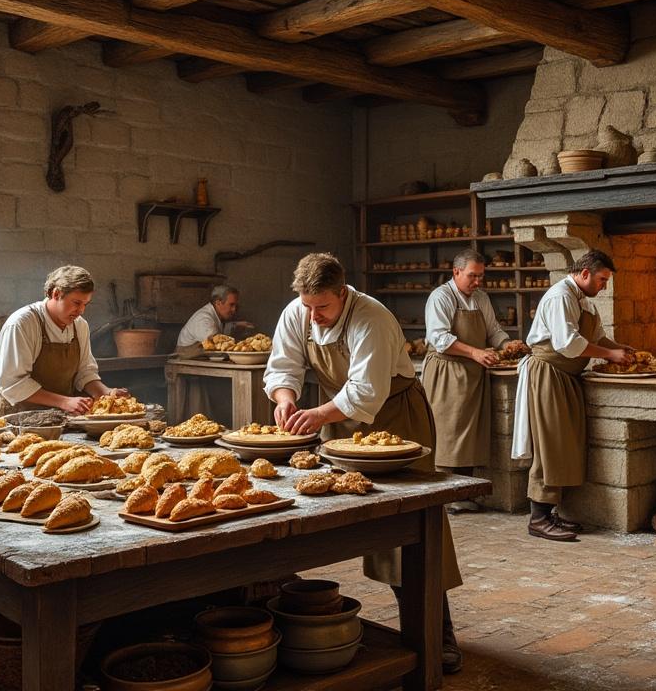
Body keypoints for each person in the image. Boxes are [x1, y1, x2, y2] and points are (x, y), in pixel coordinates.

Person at [263, 253, 464, 674]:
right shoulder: (299, 312)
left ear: (343, 293)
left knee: (405, 529)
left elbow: (366, 393)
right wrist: (285, 398)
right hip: (339, 418)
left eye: (323, 308)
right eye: (308, 307)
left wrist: (317, 416)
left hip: (393, 418)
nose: (314, 316)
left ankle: (436, 633)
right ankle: (293, 608)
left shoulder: (371, 317)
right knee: (328, 510)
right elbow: (283, 365)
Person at [513, 249, 635, 542]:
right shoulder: (561, 297)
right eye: (602, 280)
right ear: (584, 274)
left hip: (566, 379)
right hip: (548, 375)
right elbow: (568, 344)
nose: (604, 286)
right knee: (550, 445)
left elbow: (596, 339)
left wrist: (621, 348)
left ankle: (552, 513)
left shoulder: (584, 301)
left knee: (565, 444)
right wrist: (609, 354)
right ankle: (538, 519)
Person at [422, 249, 527, 513]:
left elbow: (493, 331)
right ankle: (442, 495)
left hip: (472, 373)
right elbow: (440, 338)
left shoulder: (481, 297)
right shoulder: (441, 297)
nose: (477, 281)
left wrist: (507, 343)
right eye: (472, 276)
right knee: (447, 432)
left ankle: (464, 491)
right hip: (447, 371)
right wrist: (475, 352)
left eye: (481, 276)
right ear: (456, 272)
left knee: (470, 436)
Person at [0, 265, 129, 417]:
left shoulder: (80, 326)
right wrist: (65, 402)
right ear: (56, 293)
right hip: (18, 417)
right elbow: (13, 384)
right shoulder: (22, 324)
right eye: (77, 303)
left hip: (58, 416)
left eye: (85, 304)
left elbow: (85, 372)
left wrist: (106, 393)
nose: (81, 311)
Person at [173, 284, 254, 358]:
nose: (234, 309)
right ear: (218, 303)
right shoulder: (204, 318)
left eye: (236, 305)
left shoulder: (215, 314)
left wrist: (236, 324)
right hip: (186, 358)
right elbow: (217, 344)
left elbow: (219, 330)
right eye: (231, 305)